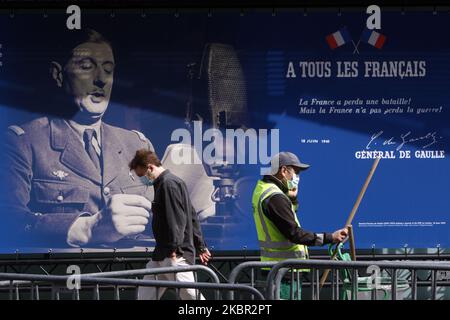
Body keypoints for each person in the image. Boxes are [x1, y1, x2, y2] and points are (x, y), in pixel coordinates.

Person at [0, 29, 154, 248]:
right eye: (86, 67)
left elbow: (160, 218)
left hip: (133, 276)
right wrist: (87, 228)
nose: (101, 80)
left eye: (108, 70)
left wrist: (187, 206)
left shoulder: (137, 145)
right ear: (58, 74)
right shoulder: (23, 143)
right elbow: (8, 222)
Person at [252, 152, 349, 299]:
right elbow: (294, 233)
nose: (297, 178)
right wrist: (330, 237)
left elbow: (286, 217)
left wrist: (292, 199)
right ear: (284, 171)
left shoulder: (263, 189)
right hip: (283, 273)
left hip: (277, 269)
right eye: (296, 172)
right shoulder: (276, 197)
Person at [129, 149, 212, 300]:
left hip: (173, 254)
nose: (142, 179)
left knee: (190, 295)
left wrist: (174, 250)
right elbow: (191, 216)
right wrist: (200, 246)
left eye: (141, 175)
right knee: (146, 295)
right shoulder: (169, 183)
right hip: (163, 254)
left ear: (150, 167)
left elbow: (176, 220)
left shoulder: (168, 184)